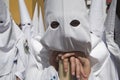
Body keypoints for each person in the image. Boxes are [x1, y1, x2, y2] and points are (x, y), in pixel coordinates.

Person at [41, 0, 119, 80]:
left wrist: (87, 76)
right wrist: (51, 71)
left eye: (74, 23)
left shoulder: (99, 55)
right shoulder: (40, 55)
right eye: (55, 24)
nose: (66, 34)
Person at [0, 0, 28, 80]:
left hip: (11, 74)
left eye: (1, 22)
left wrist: (19, 75)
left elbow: (24, 58)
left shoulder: (19, 36)